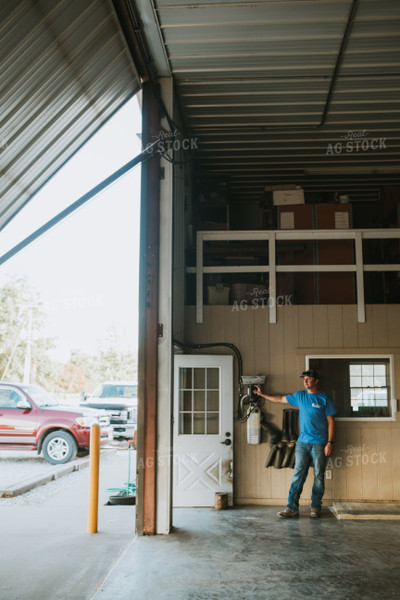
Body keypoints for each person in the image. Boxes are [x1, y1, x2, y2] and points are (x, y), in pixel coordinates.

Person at [254, 369, 336, 518]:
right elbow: (280, 399)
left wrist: (330, 442)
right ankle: (292, 508)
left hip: (319, 443)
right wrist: (262, 394)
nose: (305, 381)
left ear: (316, 381)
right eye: (304, 379)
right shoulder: (300, 396)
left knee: (318, 474)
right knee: (298, 474)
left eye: (308, 379)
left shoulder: (324, 399)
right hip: (302, 443)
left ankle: (315, 507)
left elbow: (331, 421)